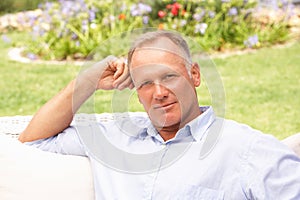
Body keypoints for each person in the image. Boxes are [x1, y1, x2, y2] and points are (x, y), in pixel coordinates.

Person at [19, 30, 300, 199]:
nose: (159, 92)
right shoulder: (113, 138)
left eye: (169, 77)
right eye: (145, 84)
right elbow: (33, 140)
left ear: (195, 75)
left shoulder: (247, 149)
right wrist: (89, 79)